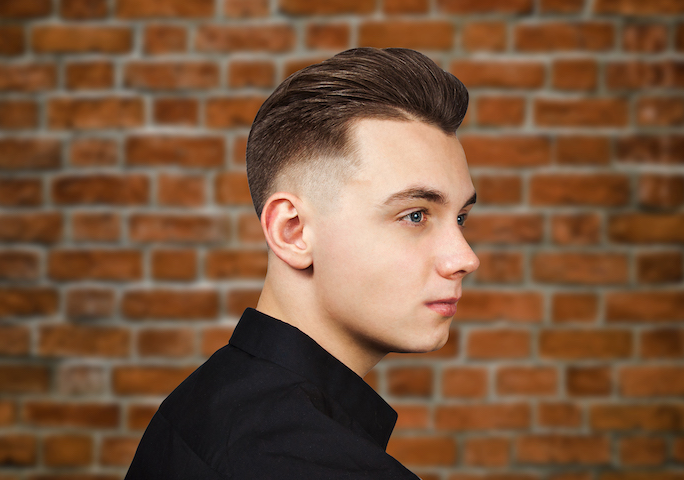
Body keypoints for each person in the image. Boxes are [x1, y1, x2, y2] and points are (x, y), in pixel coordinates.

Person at [124, 47, 479, 480]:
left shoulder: (207, 399)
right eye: (416, 215)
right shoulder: (311, 463)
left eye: (460, 217)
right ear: (292, 230)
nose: (465, 258)